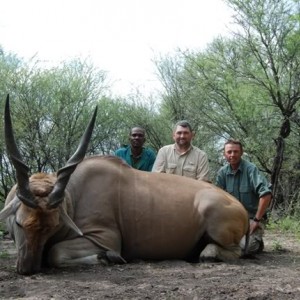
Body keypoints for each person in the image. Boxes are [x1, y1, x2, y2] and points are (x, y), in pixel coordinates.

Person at [215, 139, 272, 254]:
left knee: (247, 249)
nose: (232, 155)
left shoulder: (251, 169)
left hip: (251, 218)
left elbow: (266, 195)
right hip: (232, 218)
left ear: (241, 152)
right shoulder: (222, 173)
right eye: (229, 152)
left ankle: (256, 240)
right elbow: (217, 199)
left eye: (236, 152)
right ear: (224, 154)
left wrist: (256, 220)